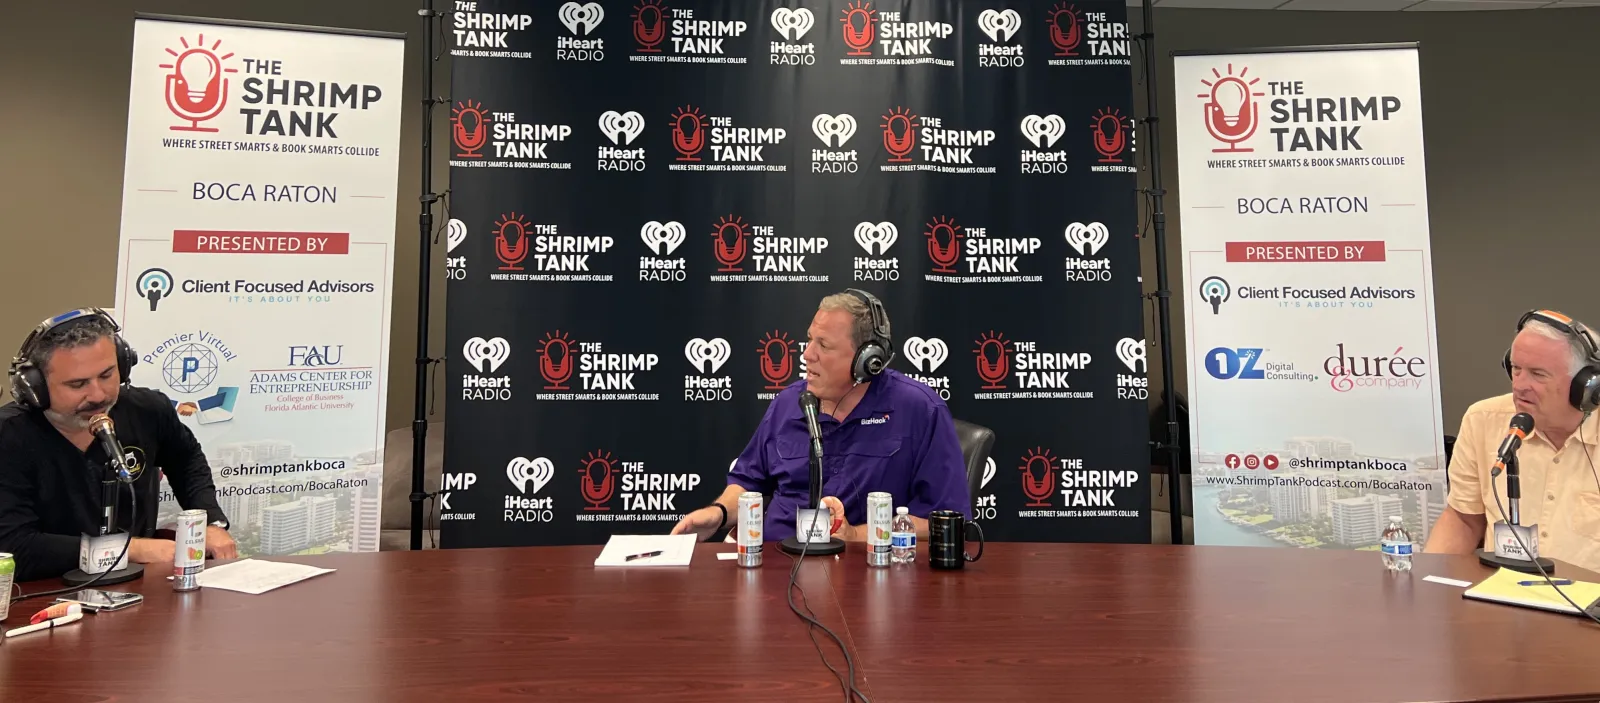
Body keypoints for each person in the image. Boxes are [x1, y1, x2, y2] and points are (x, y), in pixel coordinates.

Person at [672, 290, 970, 543]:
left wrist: (856, 535)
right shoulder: (789, 403)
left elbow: (940, 521)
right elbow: (748, 482)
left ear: (868, 359)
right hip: (776, 569)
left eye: (823, 345)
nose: (807, 354)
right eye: (810, 339)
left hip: (866, 577)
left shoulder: (919, 410)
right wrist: (718, 514)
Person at [0, 309, 236, 581]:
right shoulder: (9, 436)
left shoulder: (147, 410)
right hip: (43, 591)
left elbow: (186, 459)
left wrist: (210, 521)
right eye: (78, 384)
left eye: (107, 375)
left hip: (137, 588)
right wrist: (131, 549)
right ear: (35, 387)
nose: (98, 395)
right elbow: (14, 547)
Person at [1424, 310, 1600, 572]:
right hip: (1503, 600)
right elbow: (1463, 519)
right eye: (1516, 369)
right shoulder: (1483, 419)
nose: (1519, 385)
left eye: (1538, 374)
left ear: (1586, 386)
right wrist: (1427, 583)